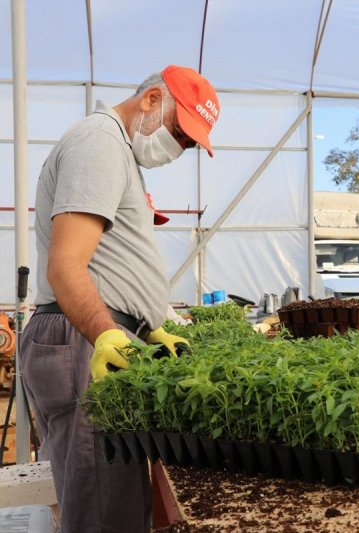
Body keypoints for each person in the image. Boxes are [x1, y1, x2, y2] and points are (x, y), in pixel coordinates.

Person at [19, 65, 220, 532]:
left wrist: (149, 324)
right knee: (104, 510)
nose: (180, 149)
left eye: (189, 144)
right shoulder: (100, 144)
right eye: (180, 134)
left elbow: (107, 263)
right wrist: (109, 332)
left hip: (91, 335)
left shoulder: (116, 152)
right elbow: (66, 266)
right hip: (83, 339)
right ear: (151, 100)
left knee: (116, 497)